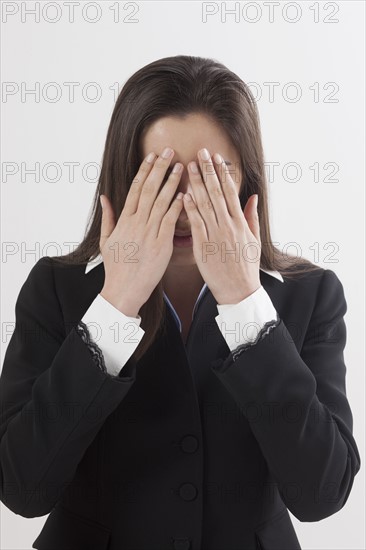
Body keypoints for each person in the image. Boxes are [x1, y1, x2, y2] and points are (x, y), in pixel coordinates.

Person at [0, 55, 361, 550]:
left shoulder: (310, 294)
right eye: (163, 175)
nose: (188, 205)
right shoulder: (56, 289)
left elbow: (321, 495)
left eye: (213, 175)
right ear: (124, 180)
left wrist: (245, 303)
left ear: (248, 182)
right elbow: (22, 489)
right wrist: (117, 303)